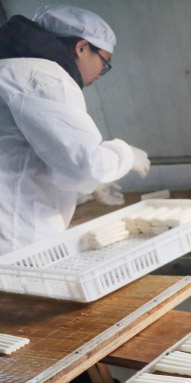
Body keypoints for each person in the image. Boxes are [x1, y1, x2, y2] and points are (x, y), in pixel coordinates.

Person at [0, 5, 150, 255]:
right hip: (16, 238)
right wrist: (126, 154)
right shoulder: (44, 78)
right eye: (104, 63)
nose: (100, 75)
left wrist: (89, 188)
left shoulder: (12, 70)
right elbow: (86, 166)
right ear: (82, 48)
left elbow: (28, 155)